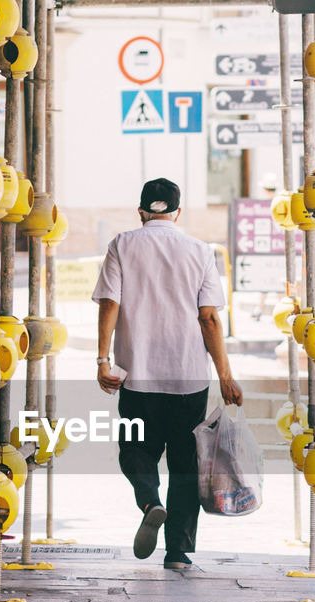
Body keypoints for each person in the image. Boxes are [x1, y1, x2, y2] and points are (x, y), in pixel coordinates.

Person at [92, 177, 243, 570]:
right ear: (177, 212)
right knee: (185, 464)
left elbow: (110, 303)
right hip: (189, 378)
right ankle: (178, 552)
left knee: (135, 449)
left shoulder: (122, 245)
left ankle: (149, 502)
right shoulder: (200, 251)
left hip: (138, 376)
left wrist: (102, 359)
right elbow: (209, 318)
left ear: (141, 210)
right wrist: (225, 375)